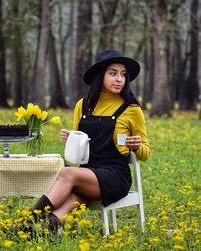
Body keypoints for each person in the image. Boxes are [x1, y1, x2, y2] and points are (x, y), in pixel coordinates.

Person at [18, 49, 151, 236]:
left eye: (123, 74)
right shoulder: (83, 105)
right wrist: (71, 138)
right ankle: (43, 229)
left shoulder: (131, 109)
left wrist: (137, 146)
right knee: (75, 195)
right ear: (100, 75)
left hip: (114, 175)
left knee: (67, 173)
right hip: (88, 173)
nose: (119, 79)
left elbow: (145, 153)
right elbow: (80, 145)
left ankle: (26, 221)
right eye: (113, 73)